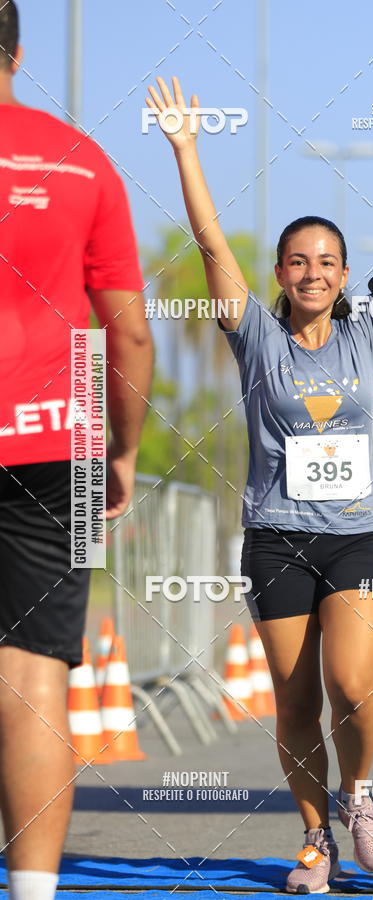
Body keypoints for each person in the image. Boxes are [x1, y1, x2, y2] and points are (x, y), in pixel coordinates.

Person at [147, 75, 373, 893]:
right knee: (295, 702)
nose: (313, 273)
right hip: (275, 537)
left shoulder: (366, 334)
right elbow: (210, 243)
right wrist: (186, 149)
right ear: (279, 271)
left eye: (328, 262)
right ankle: (317, 840)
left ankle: (359, 796)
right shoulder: (255, 337)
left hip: (354, 537)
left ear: (346, 276)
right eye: (298, 261)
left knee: (351, 684)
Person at [0, 4, 153, 898]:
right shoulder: (78, 159)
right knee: (31, 680)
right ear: (19, 50)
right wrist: (122, 451)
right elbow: (128, 336)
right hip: (57, 446)